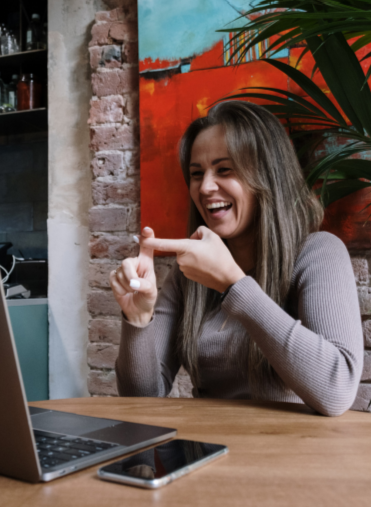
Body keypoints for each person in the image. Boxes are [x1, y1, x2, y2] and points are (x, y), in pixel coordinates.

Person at [109, 101, 364, 417]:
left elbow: (337, 392)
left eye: (224, 169)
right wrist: (138, 319)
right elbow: (141, 399)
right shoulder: (187, 275)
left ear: (266, 175)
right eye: (196, 174)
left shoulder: (318, 253)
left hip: (297, 457)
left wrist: (234, 285)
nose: (205, 187)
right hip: (211, 454)